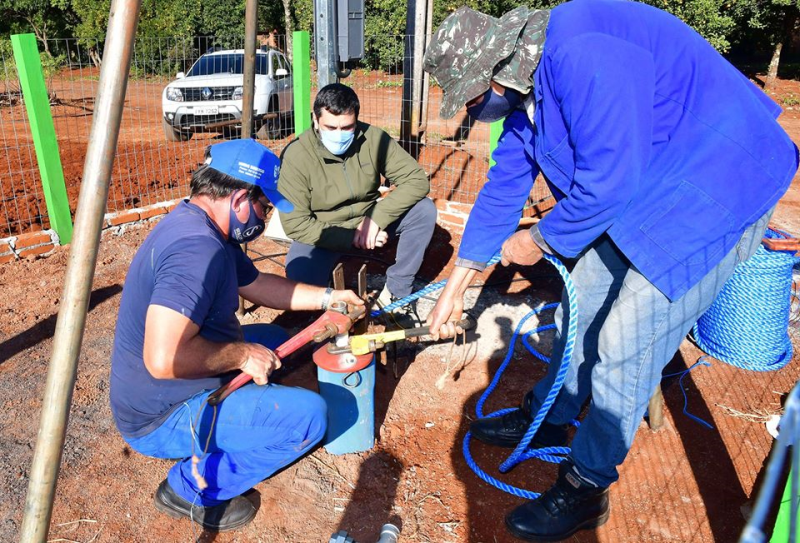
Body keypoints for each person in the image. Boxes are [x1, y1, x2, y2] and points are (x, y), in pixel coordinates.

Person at [423, 2, 798, 541]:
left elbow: (608, 183)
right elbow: (505, 185)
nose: (474, 110)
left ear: (499, 68)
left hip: (717, 176)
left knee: (628, 339)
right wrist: (456, 288)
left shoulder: (581, 49)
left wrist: (538, 239)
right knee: (586, 299)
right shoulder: (527, 90)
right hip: (653, 179)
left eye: (475, 97)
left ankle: (585, 484)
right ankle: (549, 414)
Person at [109, 139, 363, 532]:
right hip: (161, 415)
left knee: (274, 337)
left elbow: (258, 283)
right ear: (241, 198)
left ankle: (239, 410)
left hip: (167, 386)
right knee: (309, 419)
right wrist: (243, 356)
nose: (265, 216)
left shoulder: (204, 225)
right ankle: (188, 488)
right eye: (265, 207)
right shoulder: (197, 251)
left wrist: (329, 297)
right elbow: (162, 360)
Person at [278, 83, 436, 326]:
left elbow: (416, 181)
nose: (339, 134)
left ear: (357, 121)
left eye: (347, 127)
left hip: (370, 219)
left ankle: (397, 292)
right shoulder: (297, 155)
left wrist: (376, 217)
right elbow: (296, 224)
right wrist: (351, 236)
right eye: (331, 127)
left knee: (423, 211)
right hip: (325, 230)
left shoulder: (374, 139)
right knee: (300, 276)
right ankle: (327, 301)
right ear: (316, 120)